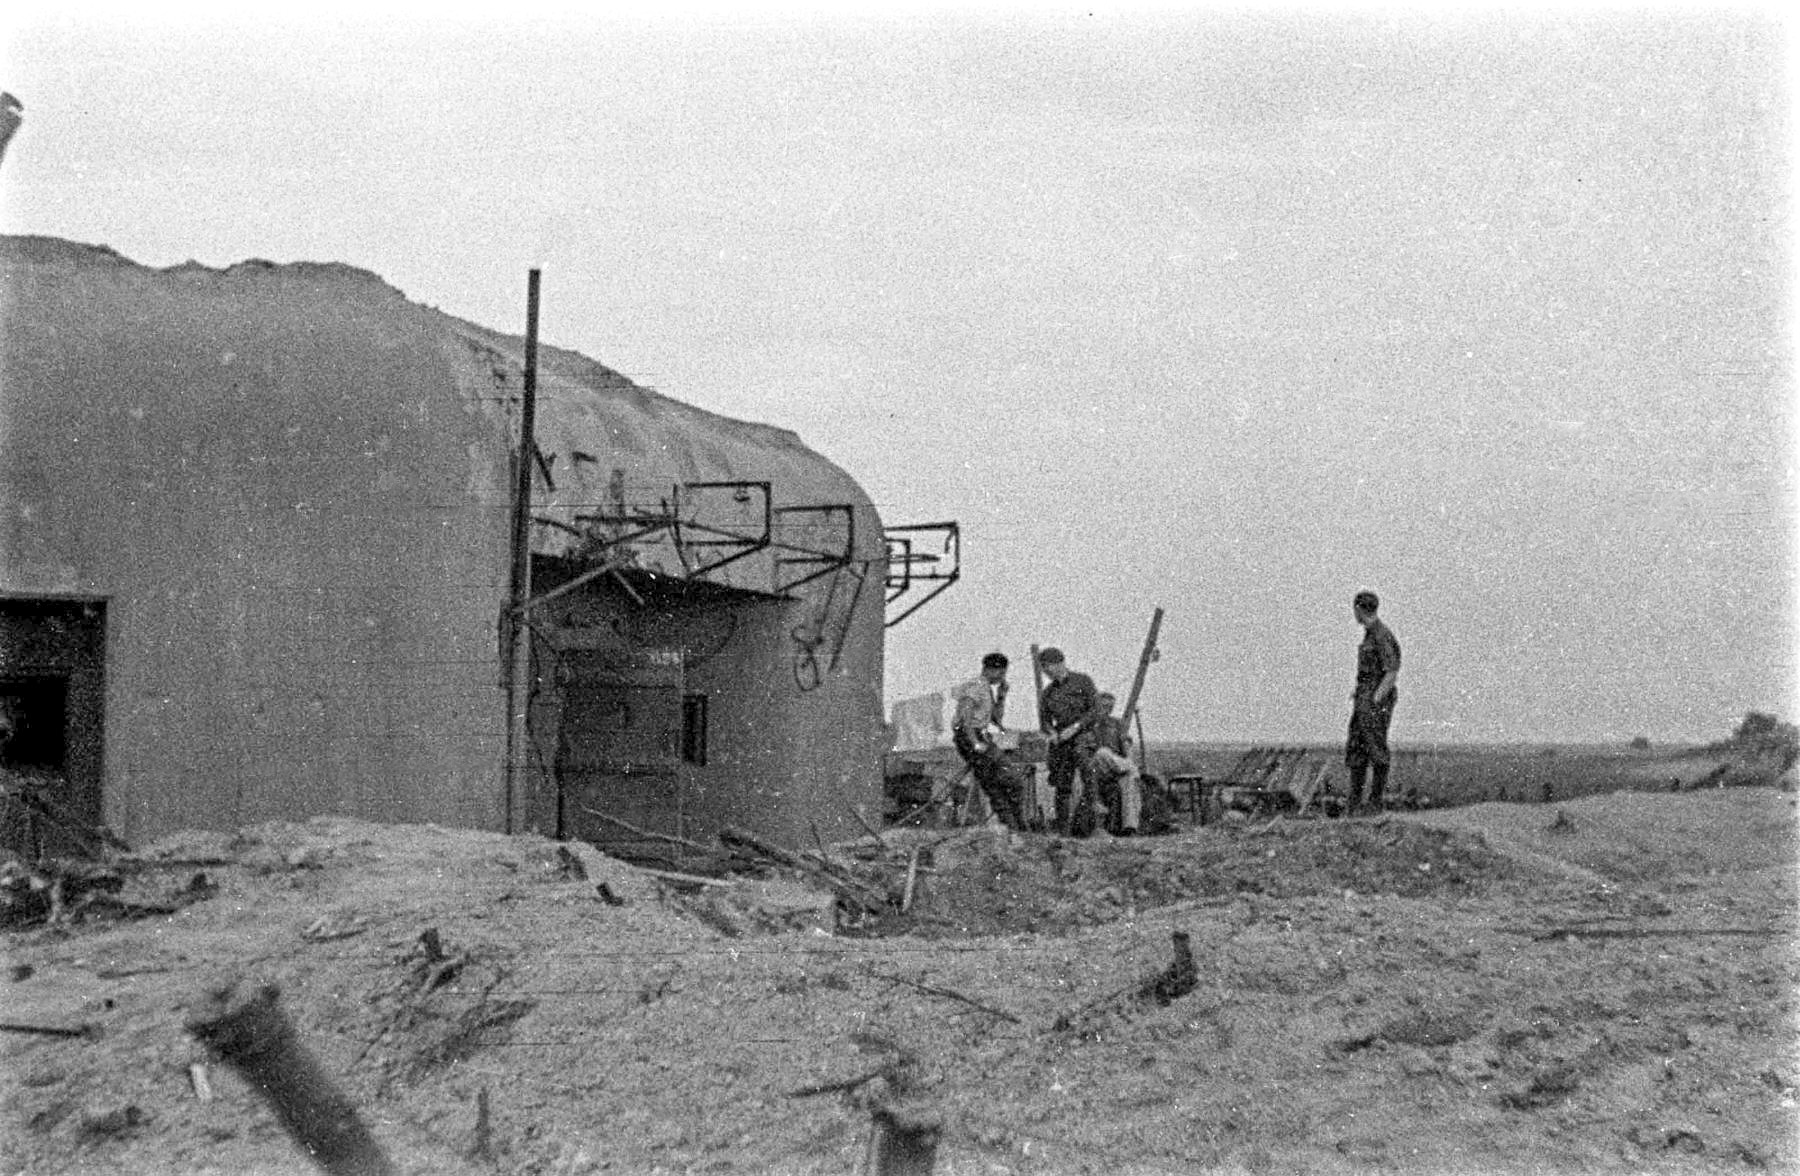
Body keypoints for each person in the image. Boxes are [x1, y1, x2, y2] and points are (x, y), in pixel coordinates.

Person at [951, 652, 1027, 830]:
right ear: (990, 670)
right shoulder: (975, 686)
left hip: (979, 736)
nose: (1002, 678)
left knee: (995, 785)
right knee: (1011, 780)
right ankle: (1018, 826)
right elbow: (965, 716)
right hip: (970, 736)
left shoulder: (987, 689)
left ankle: (1014, 827)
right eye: (1001, 673)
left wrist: (1001, 696)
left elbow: (996, 719)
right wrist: (974, 742)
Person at [1345, 590, 1402, 814]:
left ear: (1359, 609)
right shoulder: (1370, 634)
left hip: (1374, 700)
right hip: (1365, 696)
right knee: (1357, 747)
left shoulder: (1381, 635)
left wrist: (1375, 699)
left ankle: (1375, 803)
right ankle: (1355, 805)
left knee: (1375, 746)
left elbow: (1391, 671)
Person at [1037, 647, 1098, 835]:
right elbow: (1045, 720)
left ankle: (1087, 825)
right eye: (1043, 670)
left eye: (1048, 668)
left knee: (1089, 778)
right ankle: (1063, 831)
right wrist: (1051, 733)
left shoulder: (1083, 681)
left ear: (1060, 663)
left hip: (1083, 737)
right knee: (1062, 785)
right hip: (1061, 741)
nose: (1046, 673)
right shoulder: (1047, 692)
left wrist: (1076, 727)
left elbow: (1094, 710)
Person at [1083, 692, 1143, 836]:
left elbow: (1126, 746)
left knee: (1129, 780)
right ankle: (1131, 768)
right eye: (1104, 706)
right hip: (1097, 767)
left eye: (1110, 707)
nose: (1107, 710)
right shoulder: (1087, 724)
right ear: (1096, 706)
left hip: (1116, 768)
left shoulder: (1116, 724)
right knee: (1102, 752)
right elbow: (1083, 752)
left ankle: (1130, 827)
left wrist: (1127, 752)